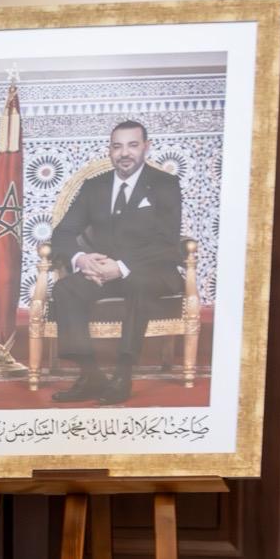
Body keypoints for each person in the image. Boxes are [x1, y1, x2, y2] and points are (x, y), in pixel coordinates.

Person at [49, 120, 183, 405]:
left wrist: (121, 267)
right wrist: (82, 259)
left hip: (153, 271)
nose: (124, 153)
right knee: (66, 289)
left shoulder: (165, 184)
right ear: (109, 150)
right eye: (117, 146)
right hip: (104, 272)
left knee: (137, 282)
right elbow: (62, 233)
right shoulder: (94, 187)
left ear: (146, 147)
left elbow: (167, 241)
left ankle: (123, 373)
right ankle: (90, 374)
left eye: (132, 145)